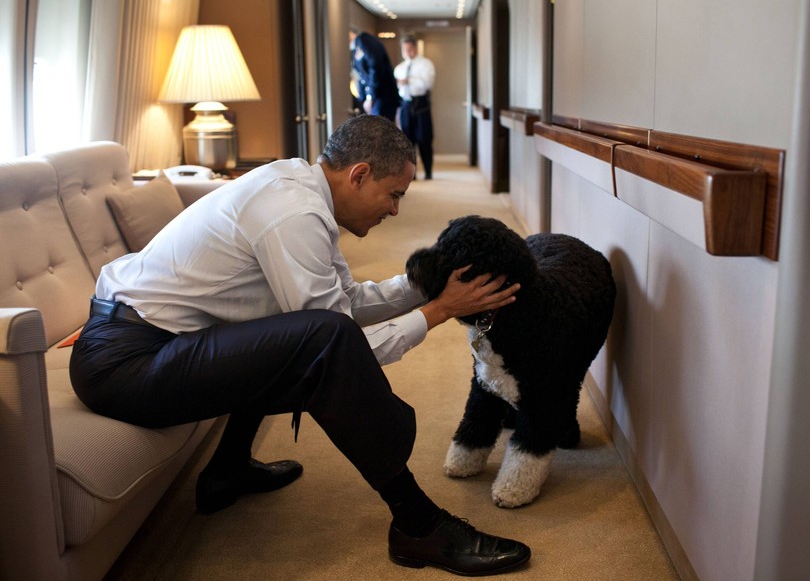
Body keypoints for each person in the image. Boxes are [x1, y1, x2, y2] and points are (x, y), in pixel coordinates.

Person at [68, 114, 531, 576]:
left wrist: (425, 284)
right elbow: (338, 344)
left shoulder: (302, 189)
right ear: (359, 175)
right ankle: (417, 524)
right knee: (318, 339)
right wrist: (440, 310)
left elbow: (345, 303)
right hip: (125, 365)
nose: (395, 210)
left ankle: (227, 469)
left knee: (290, 323)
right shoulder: (294, 212)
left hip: (143, 343)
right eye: (394, 195)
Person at [394, 35, 436, 180]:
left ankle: (428, 171)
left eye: (409, 49)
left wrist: (409, 81)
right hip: (405, 104)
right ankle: (411, 174)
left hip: (421, 105)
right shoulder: (399, 68)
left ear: (415, 48)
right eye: (404, 50)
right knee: (407, 141)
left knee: (424, 139)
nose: (407, 52)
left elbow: (427, 84)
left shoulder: (426, 64)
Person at [351, 31, 400, 121]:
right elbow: (361, 75)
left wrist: (370, 97)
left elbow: (375, 67)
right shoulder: (355, 48)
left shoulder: (364, 40)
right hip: (375, 98)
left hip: (382, 97)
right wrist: (363, 99)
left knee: (380, 129)